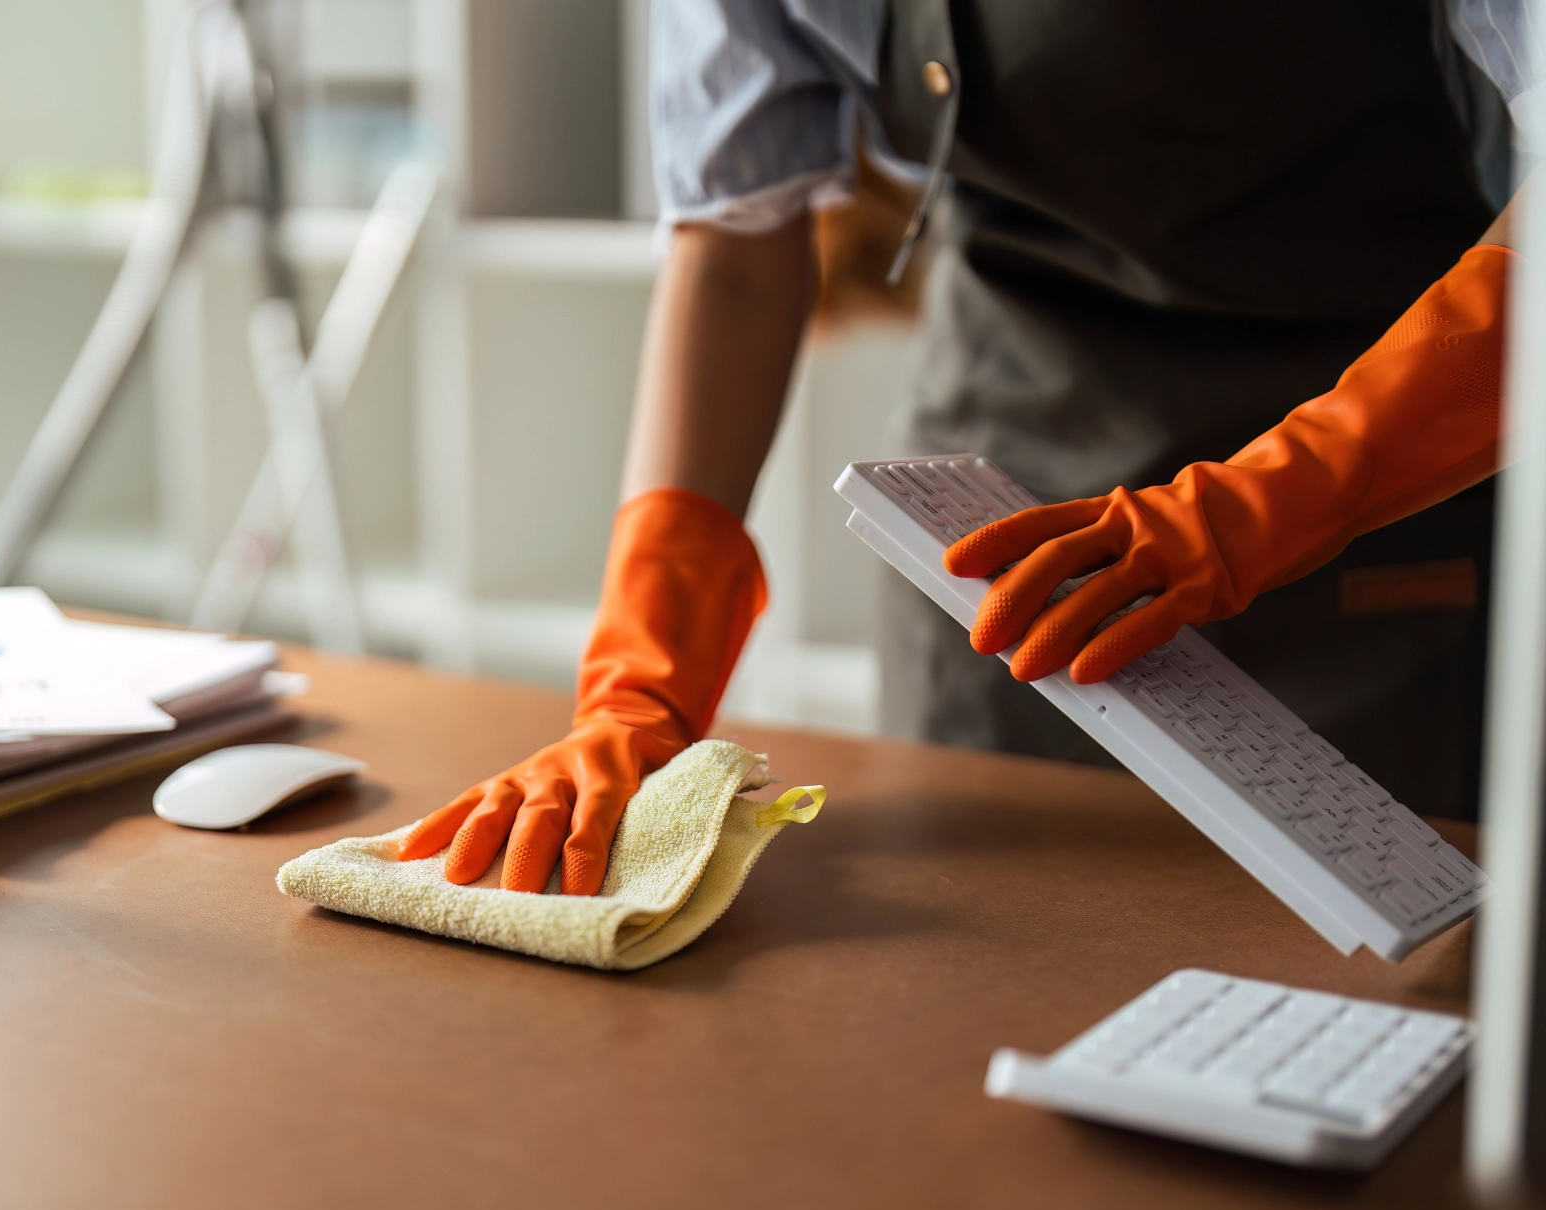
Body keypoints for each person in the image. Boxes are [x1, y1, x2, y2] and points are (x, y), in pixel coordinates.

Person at [401, 0, 1536, 894]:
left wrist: (1272, 500)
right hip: (993, 555)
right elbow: (735, 245)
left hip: (1371, 514)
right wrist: (637, 685)